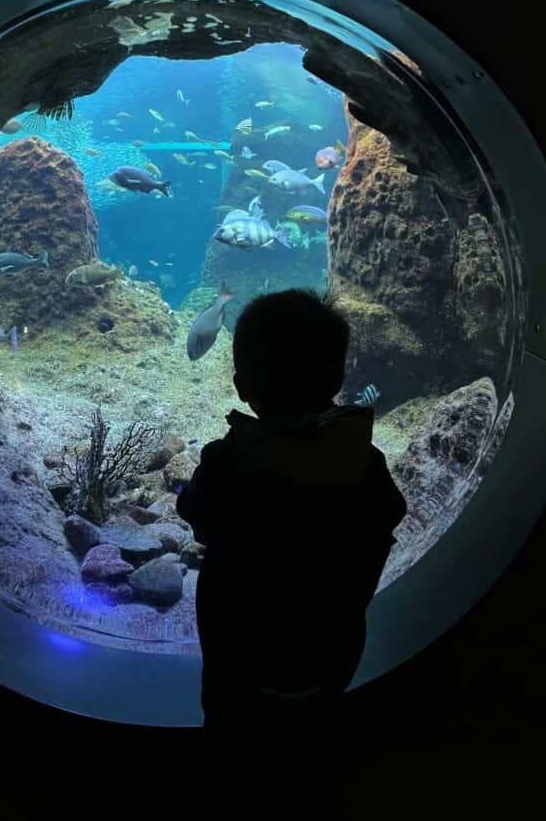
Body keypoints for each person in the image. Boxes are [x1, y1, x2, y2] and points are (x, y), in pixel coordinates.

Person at [176, 289, 407, 814]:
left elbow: (195, 513)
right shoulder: (365, 462)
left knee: (230, 735)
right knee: (310, 732)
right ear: (336, 380)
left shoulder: (229, 461)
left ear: (242, 385)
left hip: (240, 647)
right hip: (331, 647)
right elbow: (389, 516)